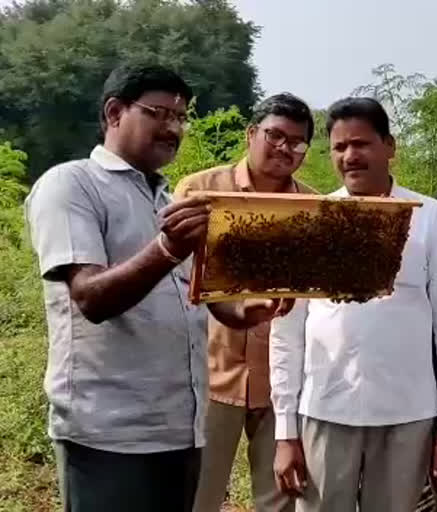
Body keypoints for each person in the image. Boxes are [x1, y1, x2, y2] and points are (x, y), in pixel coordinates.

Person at [24, 64, 286, 512]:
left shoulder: (169, 202)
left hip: (181, 429)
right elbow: (89, 297)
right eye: (159, 113)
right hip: (107, 433)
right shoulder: (71, 185)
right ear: (114, 112)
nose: (173, 128)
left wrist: (251, 311)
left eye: (181, 117)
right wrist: (166, 247)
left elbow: (202, 296)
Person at [269, 97, 437, 512]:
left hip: (407, 413)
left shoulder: (427, 217)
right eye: (339, 147)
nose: (349, 156)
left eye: (360, 144)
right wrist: (285, 430)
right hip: (325, 409)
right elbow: (286, 331)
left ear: (390, 146)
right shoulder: (314, 219)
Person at [174, 93, 316, 512]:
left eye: (297, 142)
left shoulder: (313, 207)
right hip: (209, 376)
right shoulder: (200, 191)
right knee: (198, 496)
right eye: (275, 136)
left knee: (281, 499)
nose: (284, 148)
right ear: (251, 134)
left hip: (282, 382)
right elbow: (174, 278)